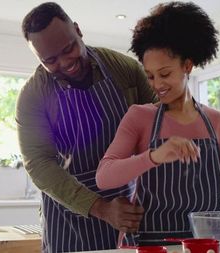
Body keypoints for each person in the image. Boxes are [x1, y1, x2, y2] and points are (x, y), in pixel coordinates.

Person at [95, 1, 220, 247]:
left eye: (164, 74)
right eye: (149, 76)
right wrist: (154, 156)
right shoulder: (139, 116)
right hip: (150, 244)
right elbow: (104, 177)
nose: (156, 84)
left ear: (187, 66)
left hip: (203, 244)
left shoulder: (216, 121)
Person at [16, 2, 156, 252]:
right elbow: (39, 165)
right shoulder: (33, 96)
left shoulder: (124, 69)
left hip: (128, 208)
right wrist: (101, 208)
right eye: (50, 60)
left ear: (78, 31)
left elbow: (161, 128)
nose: (65, 62)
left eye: (69, 48)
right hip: (69, 218)